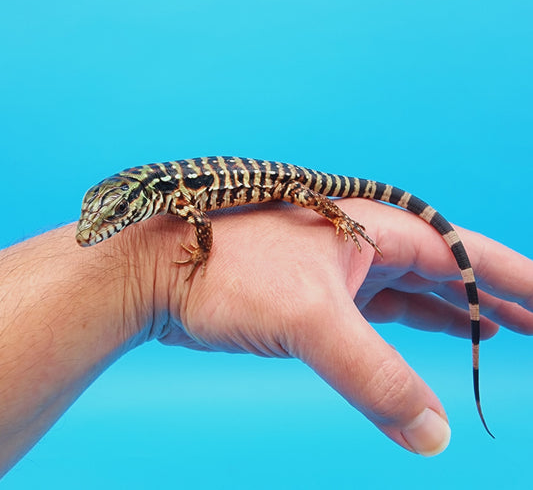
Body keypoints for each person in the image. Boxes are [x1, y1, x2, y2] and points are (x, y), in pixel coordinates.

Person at [1, 197, 532, 475]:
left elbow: (202, 229)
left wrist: (339, 223)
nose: (96, 231)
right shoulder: (157, 199)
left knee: (311, 198)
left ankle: (340, 220)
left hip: (289, 184)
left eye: (111, 219)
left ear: (134, 205)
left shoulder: (174, 202)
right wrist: (148, 274)